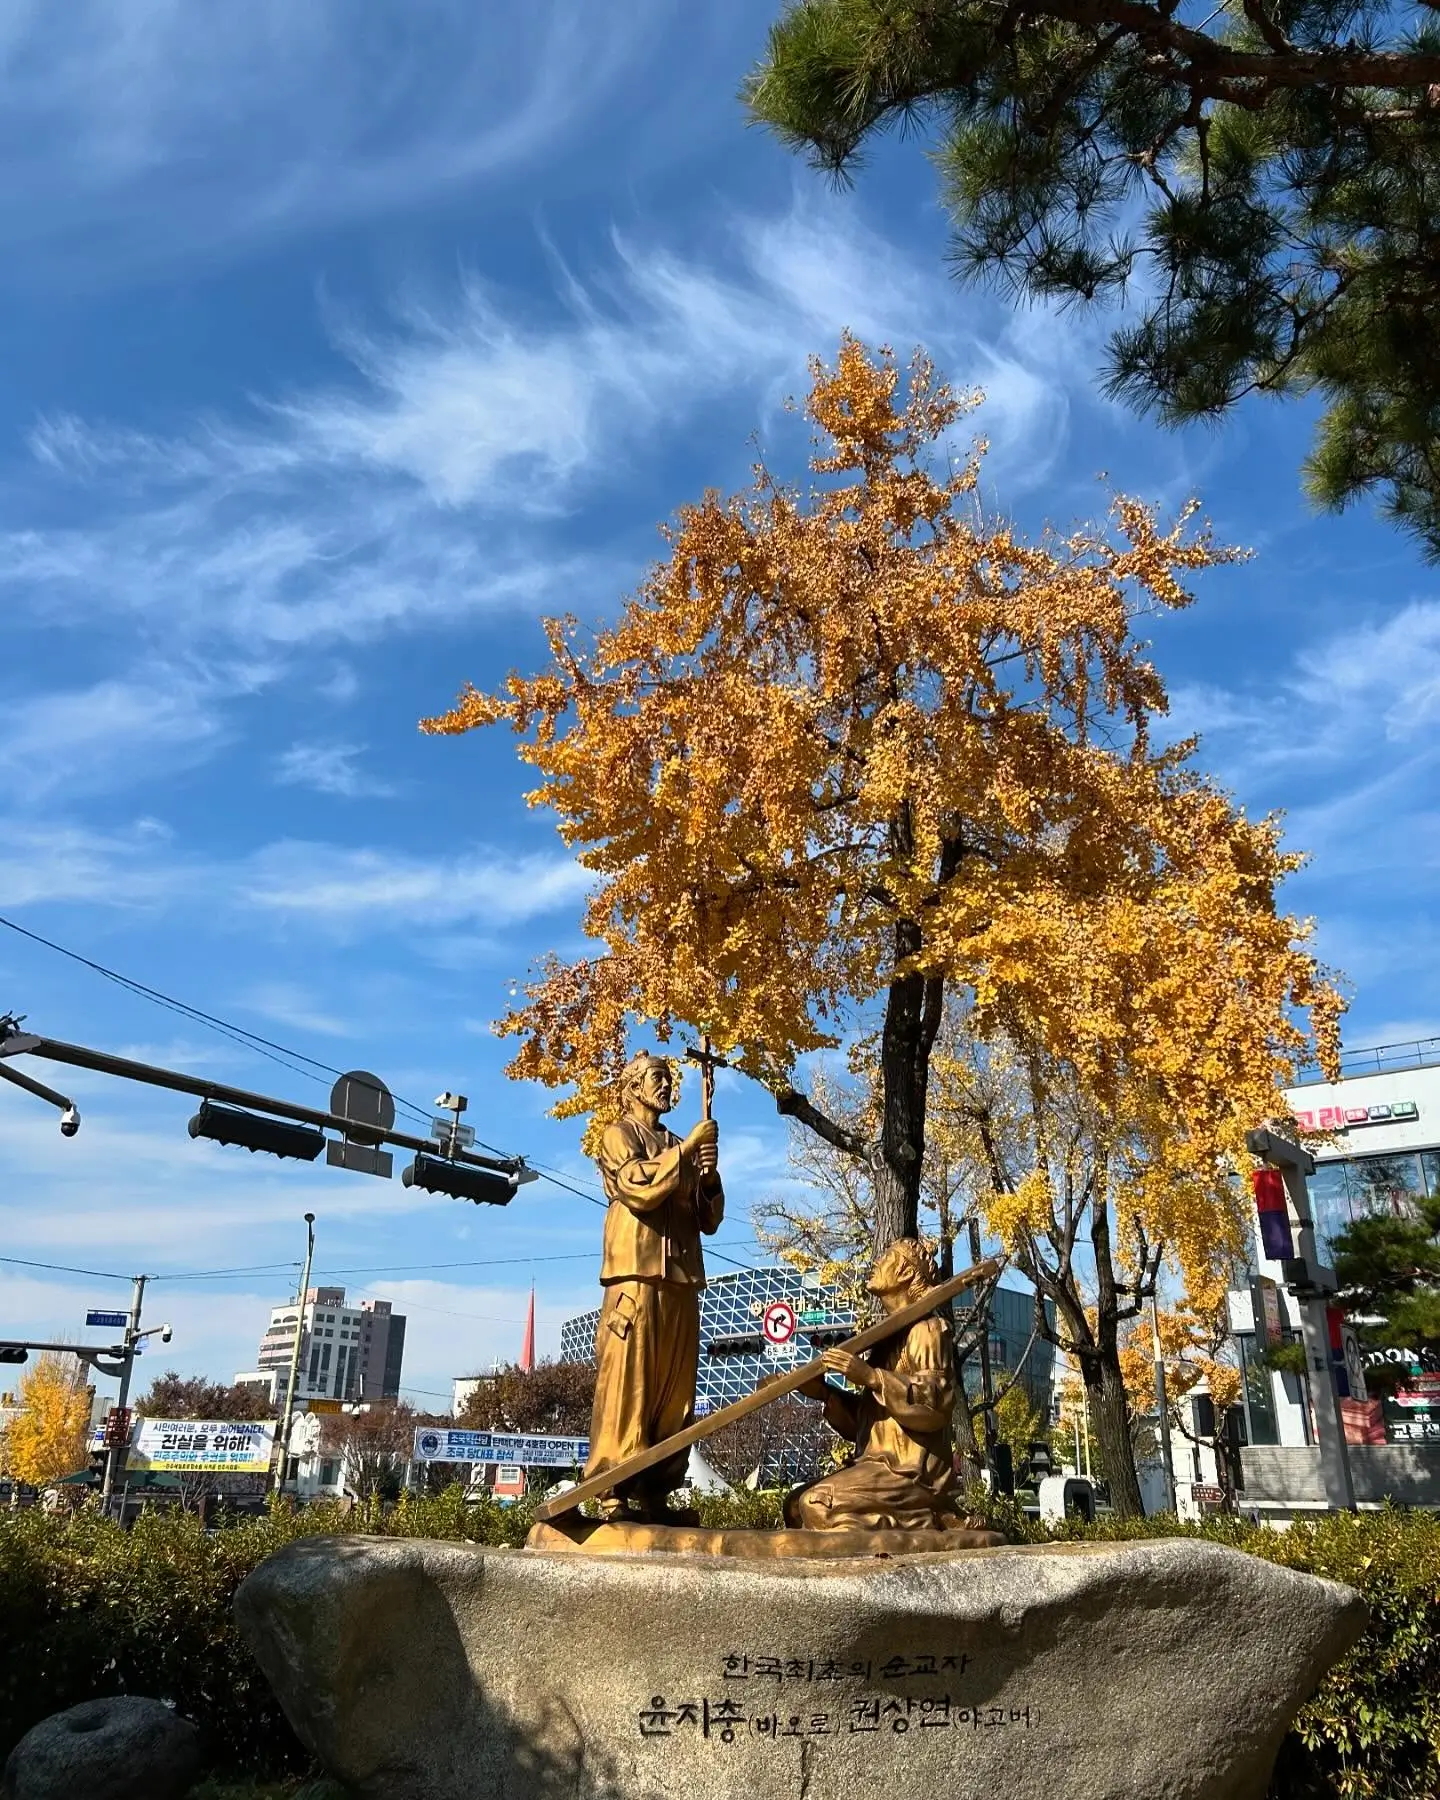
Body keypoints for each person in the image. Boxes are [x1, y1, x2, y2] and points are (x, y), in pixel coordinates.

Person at [583, 1051, 724, 1522]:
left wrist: (709, 1177)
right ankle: (611, 1489)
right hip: (635, 1277)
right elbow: (638, 1185)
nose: (665, 1086)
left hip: (681, 1279)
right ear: (634, 1087)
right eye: (656, 1078)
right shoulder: (617, 1135)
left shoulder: (679, 1141)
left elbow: (707, 1220)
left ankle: (657, 1489)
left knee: (675, 1392)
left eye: (667, 1079)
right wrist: (685, 1154)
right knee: (628, 1382)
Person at [785, 1237, 992, 1535]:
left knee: (817, 1505)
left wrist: (872, 1377)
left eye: (886, 1258)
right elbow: (874, 1423)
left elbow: (936, 1402)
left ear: (907, 1273)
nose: (876, 1263)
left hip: (913, 1474)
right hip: (877, 1466)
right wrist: (824, 1392)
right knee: (794, 1506)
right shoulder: (885, 1340)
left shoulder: (926, 1331)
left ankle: (932, 1516)